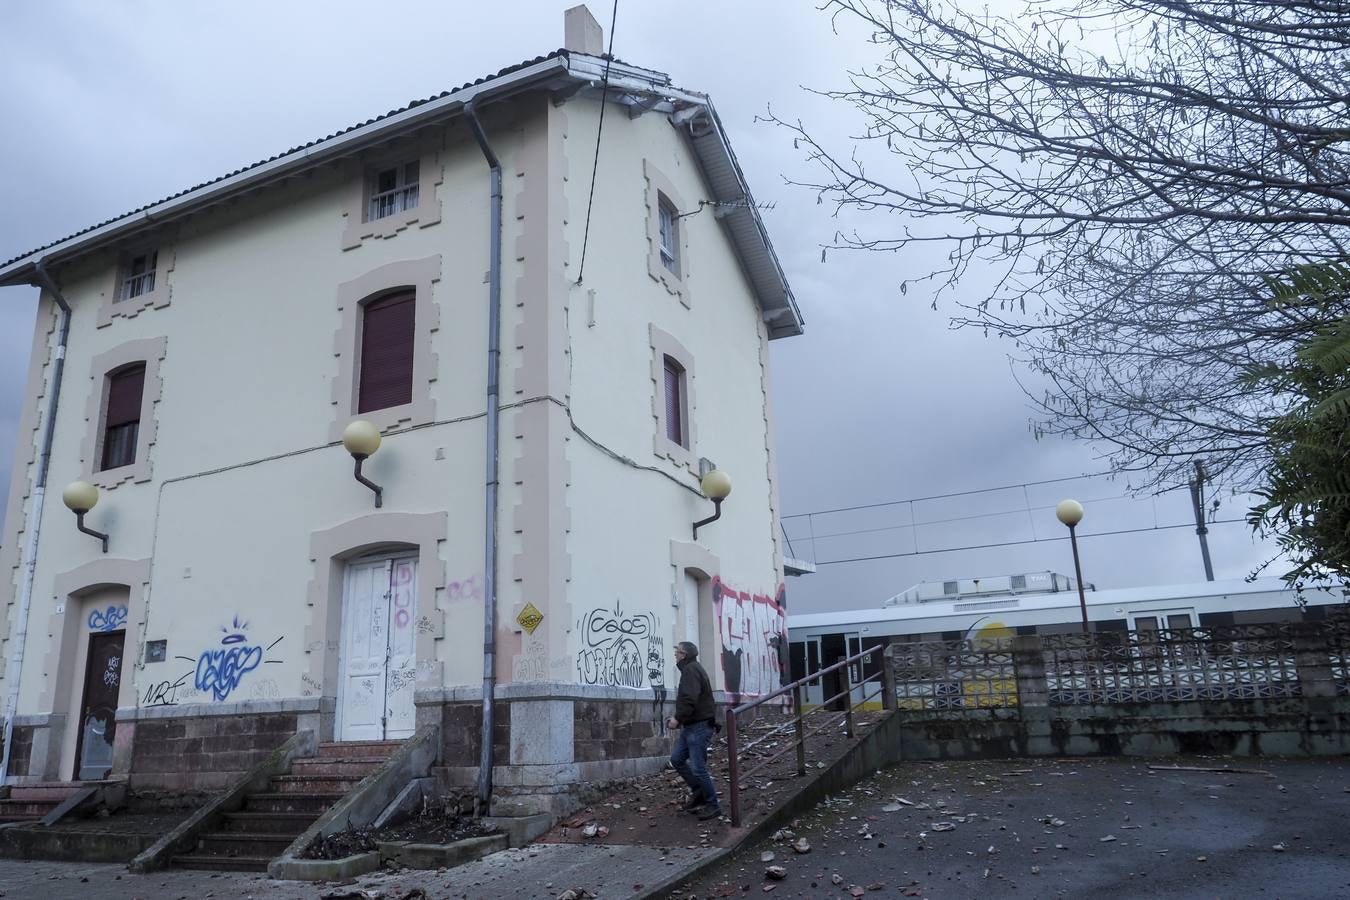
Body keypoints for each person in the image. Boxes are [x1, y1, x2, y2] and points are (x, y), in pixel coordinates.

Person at [666, 640, 721, 820]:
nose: (675, 654)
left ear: (685, 655)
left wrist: (677, 719)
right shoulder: (691, 669)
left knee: (698, 768)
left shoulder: (691, 670)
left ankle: (713, 805)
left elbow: (690, 699)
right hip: (692, 726)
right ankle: (699, 792)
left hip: (699, 726)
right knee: (677, 759)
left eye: (678, 651)